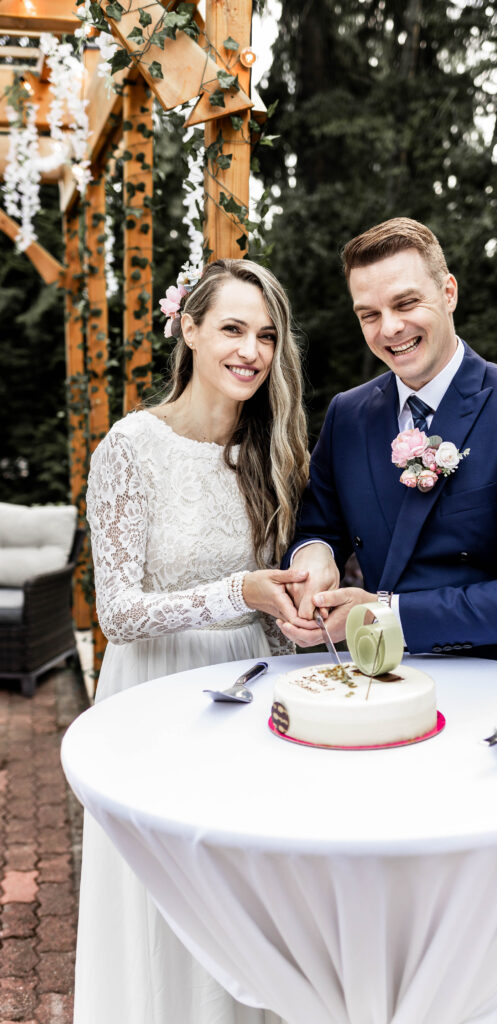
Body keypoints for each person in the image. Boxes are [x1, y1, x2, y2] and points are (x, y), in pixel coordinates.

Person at [277, 218, 497, 1023]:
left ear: (447, 293)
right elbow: (319, 518)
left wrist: (379, 612)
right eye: (367, 314)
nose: (389, 329)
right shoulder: (350, 414)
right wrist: (314, 558)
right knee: (386, 923)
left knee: (494, 935)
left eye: (406, 302)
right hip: (381, 707)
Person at [74, 259, 311, 1024]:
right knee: (166, 895)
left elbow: (269, 600)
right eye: (233, 329)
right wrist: (234, 591)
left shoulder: (272, 451)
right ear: (189, 331)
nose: (251, 351)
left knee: (242, 894)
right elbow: (118, 613)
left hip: (246, 695)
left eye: (266, 336)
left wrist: (295, 622)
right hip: (154, 697)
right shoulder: (131, 448)